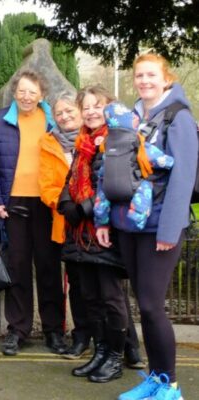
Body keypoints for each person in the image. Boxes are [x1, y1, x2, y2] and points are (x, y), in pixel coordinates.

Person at [99, 53, 197, 400]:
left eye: (151, 75)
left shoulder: (178, 116)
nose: (144, 81)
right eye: (139, 75)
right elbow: (114, 169)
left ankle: (170, 386)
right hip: (129, 224)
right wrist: (106, 219)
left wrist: (170, 230)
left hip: (160, 227)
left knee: (153, 305)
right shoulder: (131, 116)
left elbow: (183, 178)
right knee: (144, 304)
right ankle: (156, 378)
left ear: (166, 78)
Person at [0, 70, 66, 356]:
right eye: (21, 91)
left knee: (49, 267)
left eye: (32, 92)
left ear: (42, 95)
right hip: (12, 203)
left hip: (47, 202)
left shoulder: (53, 120)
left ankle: (54, 331)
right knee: (17, 267)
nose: (26, 97)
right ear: (14, 93)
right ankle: (18, 329)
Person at [51, 85, 129, 383]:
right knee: (90, 298)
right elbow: (70, 180)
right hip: (81, 236)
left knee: (111, 298)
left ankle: (115, 358)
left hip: (105, 231)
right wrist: (66, 204)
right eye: (86, 107)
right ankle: (101, 351)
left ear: (110, 107)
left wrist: (84, 208)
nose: (92, 111)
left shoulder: (118, 138)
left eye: (98, 105)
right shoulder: (83, 143)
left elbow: (117, 183)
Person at [37, 90, 89, 360]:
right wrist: (68, 206)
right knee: (76, 283)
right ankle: (81, 336)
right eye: (59, 113)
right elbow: (46, 185)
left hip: (96, 221)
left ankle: (119, 342)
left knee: (104, 284)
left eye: (70, 110)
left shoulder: (94, 137)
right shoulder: (48, 143)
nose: (65, 116)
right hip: (66, 220)